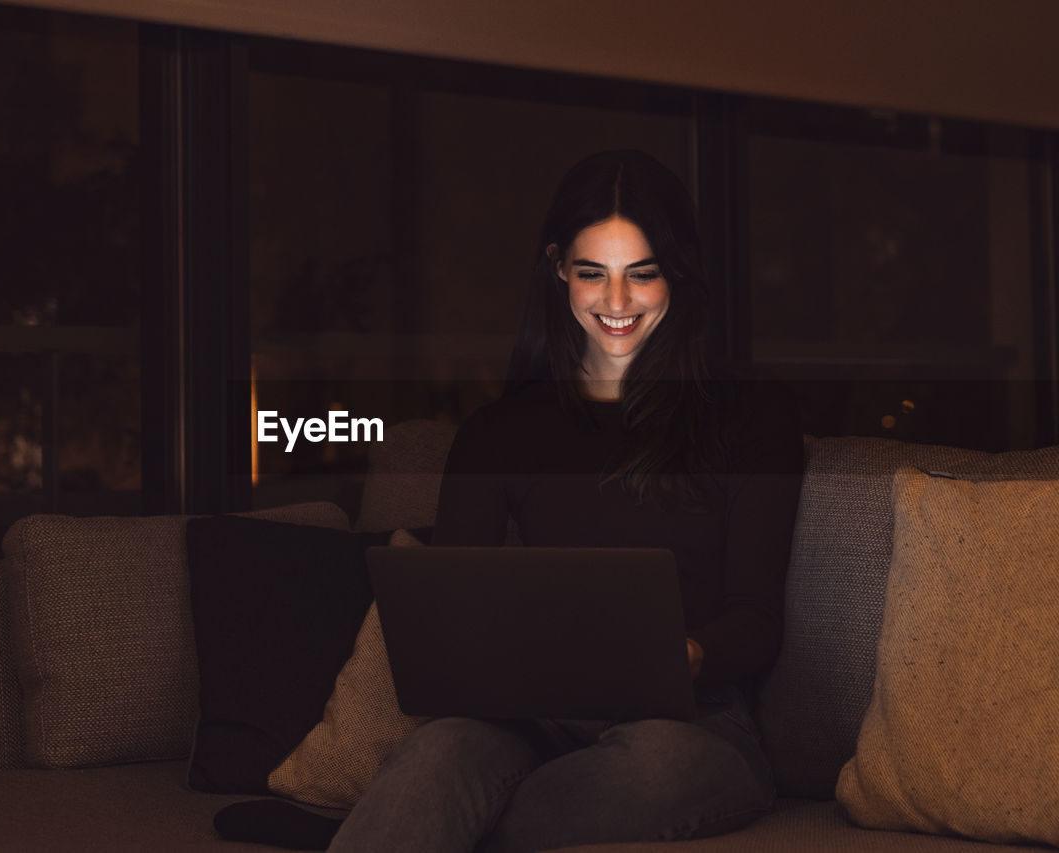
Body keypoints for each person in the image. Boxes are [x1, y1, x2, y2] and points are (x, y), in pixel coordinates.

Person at [327, 150, 804, 852]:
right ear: (558, 268)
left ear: (679, 270)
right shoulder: (499, 432)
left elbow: (759, 620)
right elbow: (452, 617)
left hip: (691, 727)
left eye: (643, 273)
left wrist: (691, 653)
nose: (617, 303)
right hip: (529, 722)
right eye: (592, 273)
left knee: (654, 768)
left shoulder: (752, 417)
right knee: (437, 755)